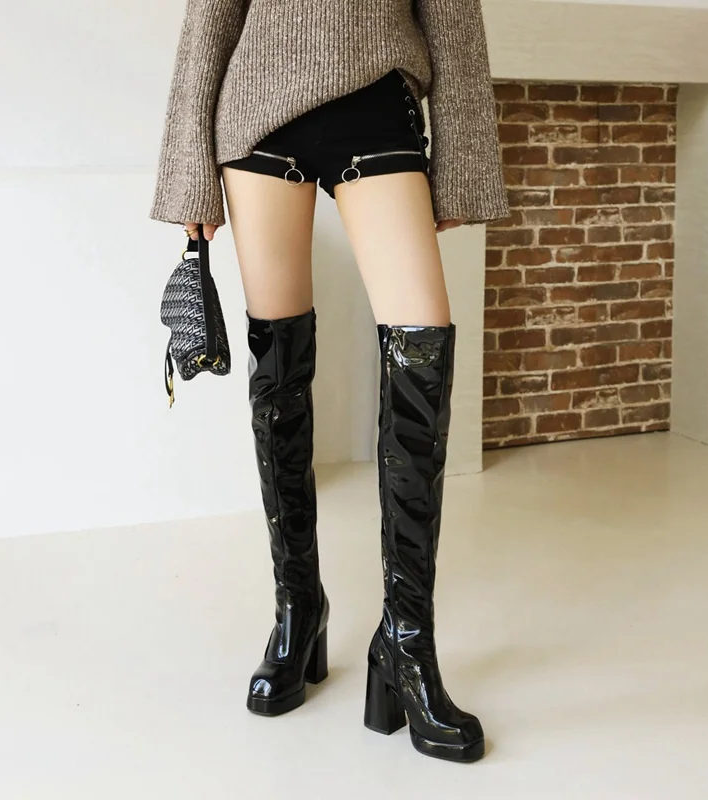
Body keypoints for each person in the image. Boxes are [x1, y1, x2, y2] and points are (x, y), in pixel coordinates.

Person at [151, 0, 509, 763]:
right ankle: (298, 610)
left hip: (377, 101)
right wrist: (187, 176)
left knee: (422, 344)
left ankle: (405, 644)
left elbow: (452, 16)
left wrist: (463, 165)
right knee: (277, 367)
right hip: (257, 112)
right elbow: (211, 16)